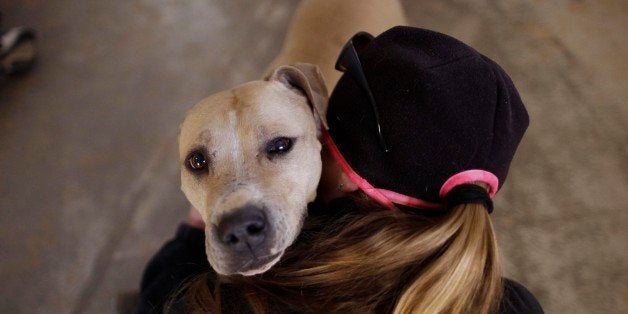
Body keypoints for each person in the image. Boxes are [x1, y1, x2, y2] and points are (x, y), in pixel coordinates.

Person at [137, 26, 543, 313]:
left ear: (329, 151)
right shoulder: (515, 304)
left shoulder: (204, 302)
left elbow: (155, 296)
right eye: (200, 163)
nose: (236, 217)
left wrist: (190, 236)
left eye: (278, 147)